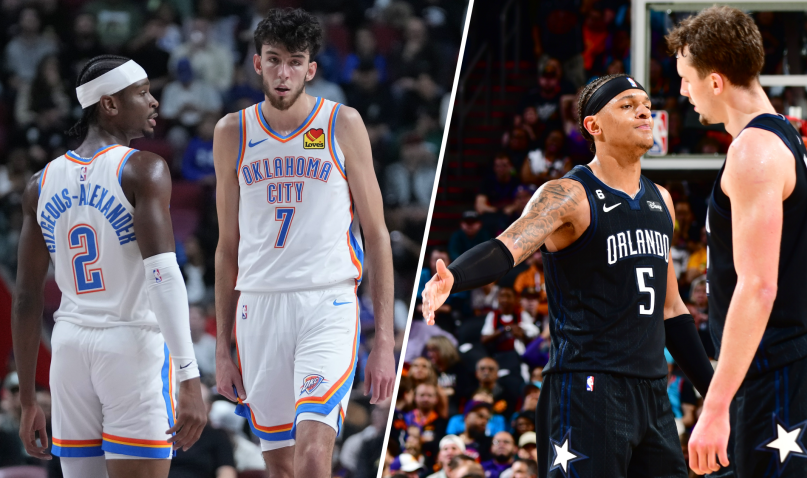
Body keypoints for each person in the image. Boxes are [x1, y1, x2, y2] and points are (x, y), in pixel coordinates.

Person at [421, 74, 715, 478]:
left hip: (652, 391)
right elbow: (508, 246)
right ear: (594, 126)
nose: (643, 110)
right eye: (626, 105)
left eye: (645, 103)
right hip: (587, 387)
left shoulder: (660, 198)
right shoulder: (568, 195)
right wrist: (453, 276)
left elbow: (672, 309)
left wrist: (713, 393)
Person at [212, 9, 396, 478]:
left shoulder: (342, 123)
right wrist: (221, 349)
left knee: (314, 457)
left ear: (311, 69)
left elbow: (376, 234)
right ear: (257, 63)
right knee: (281, 468)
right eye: (274, 60)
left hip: (327, 302)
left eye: (295, 61)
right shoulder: (232, 132)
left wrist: (386, 342)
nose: (283, 72)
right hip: (258, 307)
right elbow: (226, 246)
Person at [11, 54, 206, 478]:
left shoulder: (40, 184)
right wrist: (189, 376)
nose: (154, 102)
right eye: (142, 93)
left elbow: (26, 300)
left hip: (69, 350)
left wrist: (28, 399)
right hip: (131, 346)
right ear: (109, 105)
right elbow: (163, 275)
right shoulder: (143, 169)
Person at [668, 6, 807, 476]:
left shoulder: (753, 151)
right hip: (796, 358)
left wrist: (715, 406)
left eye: (687, 78)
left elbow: (759, 285)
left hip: (779, 363)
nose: (683, 90)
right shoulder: (786, 137)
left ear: (715, 82)